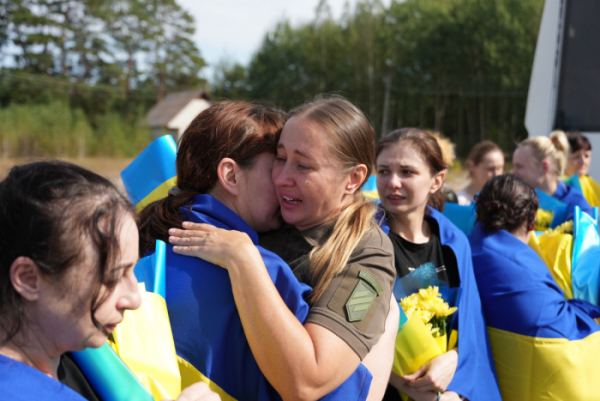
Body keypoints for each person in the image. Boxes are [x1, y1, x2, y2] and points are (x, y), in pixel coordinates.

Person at [167, 97, 399, 401]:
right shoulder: (265, 216)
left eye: (303, 165)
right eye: (279, 158)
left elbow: (309, 382)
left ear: (353, 179)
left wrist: (243, 257)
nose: (282, 178)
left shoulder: (366, 252)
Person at [0, 161, 218, 401]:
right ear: (29, 279)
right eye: (112, 277)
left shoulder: (73, 356)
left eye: (132, 271)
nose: (135, 300)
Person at [374, 128, 501, 401]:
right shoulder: (362, 240)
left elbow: (471, 329)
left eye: (407, 172)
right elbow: (351, 331)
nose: (392, 182)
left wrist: (455, 360)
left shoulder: (454, 243)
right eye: (383, 171)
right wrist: (413, 387)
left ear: (437, 180)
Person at [469, 173, 600, 401]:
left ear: (479, 212)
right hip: (560, 371)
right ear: (532, 222)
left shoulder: (463, 248)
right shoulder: (522, 260)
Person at [513, 130, 592, 219]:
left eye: (519, 167)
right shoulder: (514, 201)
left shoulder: (577, 206)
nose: (514, 173)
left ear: (544, 167)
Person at [456, 141, 504, 206]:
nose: (496, 174)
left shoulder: (504, 199)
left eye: (499, 168)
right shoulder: (459, 202)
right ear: (471, 166)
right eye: (490, 169)